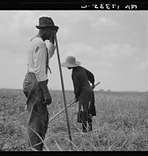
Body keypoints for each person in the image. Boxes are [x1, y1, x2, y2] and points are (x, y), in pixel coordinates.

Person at [23, 16, 58, 151]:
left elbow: (47, 55)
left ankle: (35, 147)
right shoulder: (39, 44)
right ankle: (35, 149)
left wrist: (53, 39)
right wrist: (46, 92)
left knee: (38, 118)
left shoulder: (36, 42)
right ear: (45, 30)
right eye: (51, 31)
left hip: (30, 80)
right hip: (36, 81)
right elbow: (39, 70)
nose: (52, 33)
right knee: (38, 120)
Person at [61, 56, 96, 133]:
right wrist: (92, 83)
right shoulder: (81, 68)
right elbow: (91, 75)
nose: (67, 67)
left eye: (68, 65)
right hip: (90, 92)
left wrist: (76, 96)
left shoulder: (74, 74)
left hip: (84, 94)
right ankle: (90, 129)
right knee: (89, 110)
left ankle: (84, 131)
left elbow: (77, 87)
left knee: (83, 112)